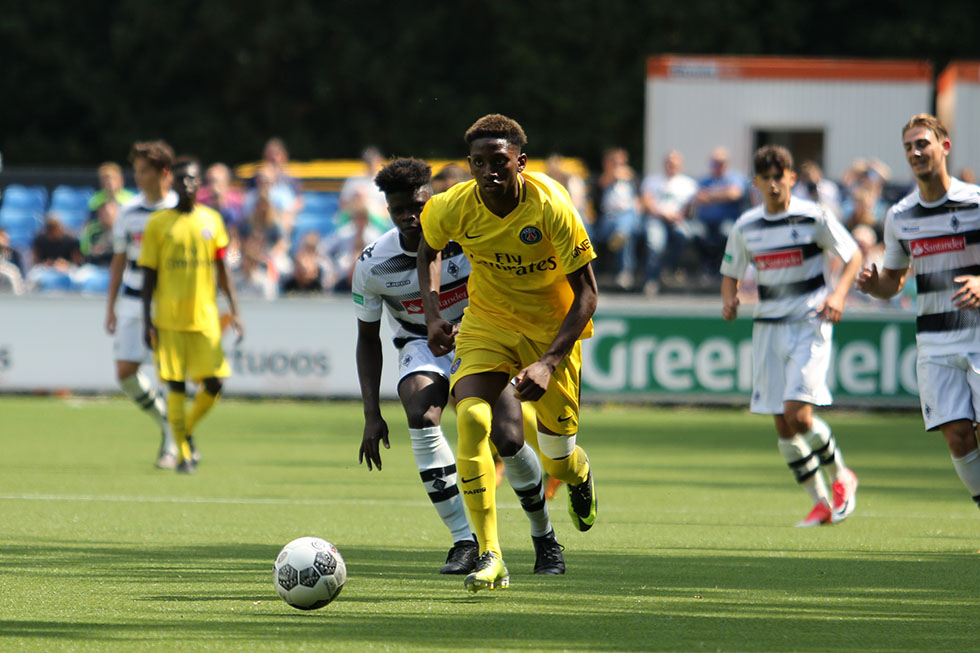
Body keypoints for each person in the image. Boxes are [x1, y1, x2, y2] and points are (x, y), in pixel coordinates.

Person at [354, 157, 564, 577]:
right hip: (420, 345)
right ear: (388, 211)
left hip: (484, 338)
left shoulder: (472, 238)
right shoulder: (374, 263)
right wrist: (372, 414)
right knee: (421, 413)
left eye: (418, 205)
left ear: (433, 197)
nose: (411, 217)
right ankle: (464, 541)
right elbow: (367, 339)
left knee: (507, 439)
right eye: (400, 211)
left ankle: (545, 537)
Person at [418, 114, 598, 592]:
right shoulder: (452, 205)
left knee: (558, 458)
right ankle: (491, 553)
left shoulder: (551, 205)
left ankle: (578, 474)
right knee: (472, 418)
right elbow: (427, 249)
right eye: (478, 163)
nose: (488, 172)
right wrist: (434, 314)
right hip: (488, 322)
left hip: (551, 331)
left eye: (499, 161)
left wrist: (548, 361)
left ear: (520, 160)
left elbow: (587, 294)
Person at [721, 144, 861, 527]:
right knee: (782, 425)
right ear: (756, 182)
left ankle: (842, 474)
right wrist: (729, 299)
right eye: (765, 178)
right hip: (768, 328)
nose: (772, 185)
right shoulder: (746, 225)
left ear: (791, 179)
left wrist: (838, 294)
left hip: (808, 323)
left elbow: (854, 256)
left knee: (797, 416)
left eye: (778, 178)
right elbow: (731, 270)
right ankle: (819, 501)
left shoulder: (814, 216)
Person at [858, 113, 980, 518]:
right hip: (935, 342)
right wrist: (875, 285)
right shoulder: (900, 216)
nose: (915, 152)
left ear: (944, 147)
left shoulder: (975, 202)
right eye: (909, 146)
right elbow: (893, 281)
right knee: (958, 438)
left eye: (923, 143)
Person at [139, 157, 244, 474]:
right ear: (171, 182)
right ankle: (183, 454)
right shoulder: (158, 223)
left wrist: (235, 310)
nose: (187, 184)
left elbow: (223, 268)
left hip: (205, 318)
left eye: (193, 179)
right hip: (169, 319)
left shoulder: (212, 220)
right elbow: (148, 276)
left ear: (199, 185)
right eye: (182, 178)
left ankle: (183, 431)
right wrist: (147, 320)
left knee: (214, 383)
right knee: (175, 386)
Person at [105, 141, 180, 469]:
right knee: (125, 372)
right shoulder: (129, 211)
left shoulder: (181, 209)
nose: (137, 177)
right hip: (134, 301)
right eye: (135, 170)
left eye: (144, 171)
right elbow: (119, 261)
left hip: (170, 303)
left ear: (163, 172)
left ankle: (173, 442)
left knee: (170, 374)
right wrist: (110, 306)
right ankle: (170, 425)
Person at [640, 150, 699, 294]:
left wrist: (679, 215)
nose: (671, 166)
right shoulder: (652, 180)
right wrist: (663, 213)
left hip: (678, 220)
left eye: (674, 163)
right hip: (656, 219)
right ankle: (651, 280)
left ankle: (667, 269)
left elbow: (691, 206)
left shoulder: (689, 184)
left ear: (680, 165)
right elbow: (646, 203)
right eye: (669, 163)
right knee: (655, 244)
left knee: (685, 235)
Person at [693, 147, 748, 280]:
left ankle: (721, 266)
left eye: (720, 162)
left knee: (726, 233)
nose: (717, 165)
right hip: (705, 222)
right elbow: (698, 197)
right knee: (694, 232)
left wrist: (710, 196)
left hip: (728, 220)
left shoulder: (735, 177)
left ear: (727, 163)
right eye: (714, 162)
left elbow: (734, 194)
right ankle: (708, 265)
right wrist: (723, 195)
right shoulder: (705, 180)